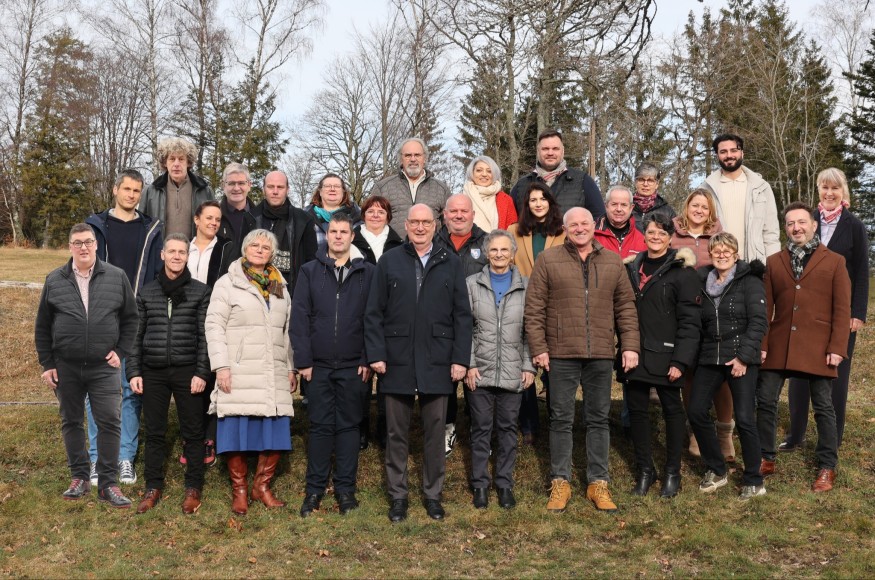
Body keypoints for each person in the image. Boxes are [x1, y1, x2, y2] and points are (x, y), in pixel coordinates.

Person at [525, 207, 639, 513]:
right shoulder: (548, 260)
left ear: (593, 226)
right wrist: (539, 347)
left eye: (584, 223)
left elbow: (625, 307)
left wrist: (629, 345)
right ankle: (560, 481)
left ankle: (598, 482)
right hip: (560, 353)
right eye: (573, 224)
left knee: (598, 419)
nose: (579, 228)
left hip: (600, 352)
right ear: (564, 229)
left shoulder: (612, 261)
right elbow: (534, 307)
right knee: (561, 418)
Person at [364, 204, 473, 522]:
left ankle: (433, 495)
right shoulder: (389, 260)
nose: (421, 227)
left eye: (426, 222)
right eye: (415, 222)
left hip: (438, 358)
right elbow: (374, 312)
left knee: (435, 432)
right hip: (395, 358)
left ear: (435, 225)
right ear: (407, 225)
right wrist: (376, 354)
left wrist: (460, 359)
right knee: (395, 433)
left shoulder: (450, 262)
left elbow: (462, 316)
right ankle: (398, 496)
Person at [34, 223, 138, 508]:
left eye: (88, 242)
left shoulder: (116, 277)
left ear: (96, 245)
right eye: (77, 243)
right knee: (71, 421)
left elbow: (131, 319)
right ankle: (79, 478)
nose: (83, 247)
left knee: (109, 422)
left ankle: (108, 483)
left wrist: (121, 351)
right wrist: (47, 363)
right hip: (66, 366)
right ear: (70, 247)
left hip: (104, 366)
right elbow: (43, 326)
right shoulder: (54, 280)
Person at [758, 202, 850, 492]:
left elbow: (842, 309)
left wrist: (837, 347)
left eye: (801, 222)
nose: (796, 228)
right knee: (766, 400)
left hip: (818, 346)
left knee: (823, 406)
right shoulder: (774, 262)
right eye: (790, 223)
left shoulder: (834, 261)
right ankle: (766, 457)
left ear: (813, 225)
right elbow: (765, 309)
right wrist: (762, 344)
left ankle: (827, 465)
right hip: (779, 344)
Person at [205, 229, 297, 514]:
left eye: (266, 247)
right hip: (240, 370)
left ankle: (262, 487)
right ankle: (240, 490)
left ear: (272, 254)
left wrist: (290, 367)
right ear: (245, 249)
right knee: (236, 430)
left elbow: (287, 330)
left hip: (273, 370)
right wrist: (221, 366)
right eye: (254, 245)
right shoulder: (228, 283)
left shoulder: (279, 284)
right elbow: (214, 326)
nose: (260, 250)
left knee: (275, 430)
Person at [292, 213, 375, 517]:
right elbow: (299, 318)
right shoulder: (309, 271)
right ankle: (314, 490)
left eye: (344, 232)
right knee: (320, 426)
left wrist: (367, 357)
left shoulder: (367, 272)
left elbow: (373, 318)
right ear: (327, 236)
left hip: (355, 366)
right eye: (333, 231)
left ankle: (345, 490)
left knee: (350, 427)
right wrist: (303, 360)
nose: (338, 236)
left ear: (352, 236)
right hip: (318, 366)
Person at [85, 169, 164, 486]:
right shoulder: (96, 226)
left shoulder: (151, 229)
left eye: (136, 191)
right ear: (115, 189)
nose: (131, 195)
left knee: (131, 390)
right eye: (127, 189)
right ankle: (97, 458)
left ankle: (125, 457)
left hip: (134, 320)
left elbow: (156, 275)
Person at [782, 168, 868, 451]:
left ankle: (831, 439)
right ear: (818, 190)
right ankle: (795, 435)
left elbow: (861, 272)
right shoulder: (807, 221)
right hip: (805, 310)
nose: (829, 193)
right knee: (799, 372)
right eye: (824, 187)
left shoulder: (854, 226)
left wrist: (857, 313)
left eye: (835, 188)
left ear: (843, 191)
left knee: (836, 375)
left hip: (841, 312)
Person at [127, 234, 212, 514]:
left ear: (188, 256)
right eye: (172, 251)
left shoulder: (200, 292)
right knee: (154, 432)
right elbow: (136, 335)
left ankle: (193, 487)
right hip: (153, 371)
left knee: (193, 432)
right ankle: (153, 486)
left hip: (188, 370)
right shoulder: (147, 292)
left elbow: (205, 336)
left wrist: (201, 372)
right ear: (162, 255)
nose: (177, 256)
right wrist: (134, 370)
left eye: (182, 252)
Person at [620, 215, 700, 498]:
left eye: (662, 233)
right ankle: (645, 469)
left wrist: (680, 361)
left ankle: (672, 471)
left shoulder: (682, 272)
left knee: (672, 412)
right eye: (651, 232)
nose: (655, 237)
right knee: (637, 412)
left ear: (670, 238)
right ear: (644, 234)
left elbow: (690, 322)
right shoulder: (631, 267)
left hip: (667, 356)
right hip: (635, 352)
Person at [687, 232, 768, 501]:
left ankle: (754, 479)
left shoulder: (750, 281)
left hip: (740, 356)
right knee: (696, 410)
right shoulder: (702, 281)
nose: (722, 254)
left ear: (736, 255)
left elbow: (759, 322)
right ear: (710, 254)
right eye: (717, 250)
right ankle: (717, 468)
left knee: (744, 418)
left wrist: (743, 357)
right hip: (710, 355)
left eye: (727, 250)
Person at [465, 230, 535, 510]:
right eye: (494, 250)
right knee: (480, 428)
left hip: (513, 370)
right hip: (479, 371)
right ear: (486, 253)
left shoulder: (526, 286)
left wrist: (528, 365)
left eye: (504, 249)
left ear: (513, 253)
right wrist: (469, 364)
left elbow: (530, 331)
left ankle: (504, 483)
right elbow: (465, 329)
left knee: (507, 429)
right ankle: (480, 484)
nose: (499, 254)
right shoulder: (472, 284)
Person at [670, 188, 734, 460]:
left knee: (719, 374)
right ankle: (696, 429)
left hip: (713, 313)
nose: (699, 210)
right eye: (694, 205)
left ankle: (724, 432)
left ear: (710, 212)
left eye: (704, 207)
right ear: (687, 207)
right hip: (683, 314)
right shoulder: (672, 236)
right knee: (690, 373)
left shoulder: (719, 236)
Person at [508, 182, 566, 445]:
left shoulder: (563, 232)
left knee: (554, 368)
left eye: (543, 199)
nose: (538, 203)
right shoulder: (514, 232)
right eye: (533, 200)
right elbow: (508, 264)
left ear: (550, 202)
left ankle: (557, 422)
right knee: (525, 364)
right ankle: (529, 424)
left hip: (555, 306)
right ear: (527, 204)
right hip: (522, 304)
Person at [434, 193, 489, 455]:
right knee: (446, 380)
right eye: (453, 211)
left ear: (472, 214)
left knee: (476, 381)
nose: (458, 215)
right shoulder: (433, 241)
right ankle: (447, 427)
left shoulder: (487, 241)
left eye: (463, 211)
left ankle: (480, 433)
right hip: (442, 324)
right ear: (445, 215)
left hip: (479, 322)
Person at [182, 200, 234, 469]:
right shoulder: (184, 247)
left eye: (217, 219)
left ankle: (210, 436)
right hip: (185, 319)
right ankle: (191, 435)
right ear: (196, 219)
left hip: (215, 316)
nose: (213, 223)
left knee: (213, 377)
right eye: (209, 218)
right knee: (191, 377)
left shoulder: (226, 248)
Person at [351, 195, 403, 449]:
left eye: (381, 211)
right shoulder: (353, 241)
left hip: (390, 313)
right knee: (361, 374)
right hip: (358, 309)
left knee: (386, 374)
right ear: (363, 215)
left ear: (388, 217)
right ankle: (360, 428)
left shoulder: (398, 243)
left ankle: (384, 428)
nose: (375, 215)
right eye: (370, 211)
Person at [702, 133, 780, 262]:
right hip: (719, 263)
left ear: (742, 153)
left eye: (734, 150)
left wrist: (773, 264)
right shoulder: (706, 190)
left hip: (754, 263)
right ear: (717, 156)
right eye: (723, 152)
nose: (729, 155)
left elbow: (771, 233)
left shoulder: (761, 188)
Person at [509, 129, 605, 219]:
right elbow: (510, 223)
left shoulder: (583, 181)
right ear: (538, 151)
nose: (550, 153)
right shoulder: (521, 186)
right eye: (545, 149)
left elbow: (599, 220)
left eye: (555, 149)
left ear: (562, 151)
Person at [252, 170, 318, 293]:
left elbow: (312, 262)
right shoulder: (250, 218)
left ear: (288, 190)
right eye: (270, 187)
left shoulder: (304, 220)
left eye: (280, 187)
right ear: (263, 189)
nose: (275, 191)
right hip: (254, 291)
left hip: (293, 292)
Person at [370, 137, 451, 237]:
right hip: (393, 246)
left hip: (432, 246)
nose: (413, 159)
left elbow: (449, 226)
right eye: (408, 155)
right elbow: (371, 223)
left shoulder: (442, 189)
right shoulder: (382, 188)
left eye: (417, 155)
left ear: (424, 158)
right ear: (401, 159)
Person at [139, 137, 214, 237]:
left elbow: (214, 224)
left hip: (194, 247)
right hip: (160, 247)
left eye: (181, 159)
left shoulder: (205, 191)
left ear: (188, 162)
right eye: (172, 159)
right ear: (165, 163)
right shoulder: (150, 191)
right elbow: (140, 226)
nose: (176, 164)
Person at [305, 173, 363, 251]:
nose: (332, 189)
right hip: (312, 259)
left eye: (337, 186)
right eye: (327, 186)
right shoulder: (304, 216)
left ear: (343, 191)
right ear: (320, 191)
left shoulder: (358, 215)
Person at [462, 155, 517, 232]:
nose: (484, 174)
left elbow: (513, 230)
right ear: (472, 173)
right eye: (479, 170)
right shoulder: (461, 198)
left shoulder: (506, 200)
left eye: (489, 171)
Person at [216, 163, 257, 262]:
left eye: (241, 183)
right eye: (231, 183)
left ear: (249, 185)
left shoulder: (259, 217)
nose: (236, 188)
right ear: (223, 185)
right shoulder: (214, 216)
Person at [594, 184, 647, 259]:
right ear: (606, 206)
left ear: (631, 208)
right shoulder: (592, 235)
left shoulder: (642, 239)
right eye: (614, 204)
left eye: (624, 205)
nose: (619, 209)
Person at [630, 162, 676, 232]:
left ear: (657, 184)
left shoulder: (667, 211)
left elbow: (672, 235)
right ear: (635, 182)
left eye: (650, 181)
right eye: (641, 180)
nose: (645, 184)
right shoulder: (626, 206)